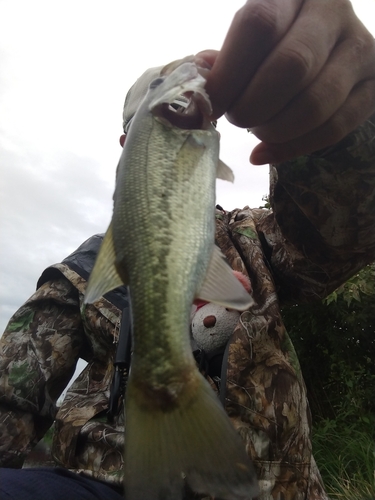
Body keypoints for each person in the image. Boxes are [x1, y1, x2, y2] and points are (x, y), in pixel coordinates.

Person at [1, 0, 375, 498]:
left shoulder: (260, 242)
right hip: (103, 484)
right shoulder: (75, 277)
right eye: (153, 109)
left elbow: (348, 225)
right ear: (126, 143)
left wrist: (335, 131)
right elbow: (10, 399)